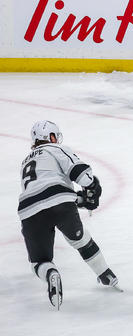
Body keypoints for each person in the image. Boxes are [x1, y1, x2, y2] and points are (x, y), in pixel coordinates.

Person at [18, 121, 120, 310]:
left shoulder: (25, 161)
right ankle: (106, 274)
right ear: (52, 137)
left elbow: (41, 195)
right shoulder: (55, 149)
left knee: (39, 262)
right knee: (80, 240)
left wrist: (80, 200)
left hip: (28, 210)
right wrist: (91, 188)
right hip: (59, 203)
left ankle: (51, 274)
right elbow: (79, 176)